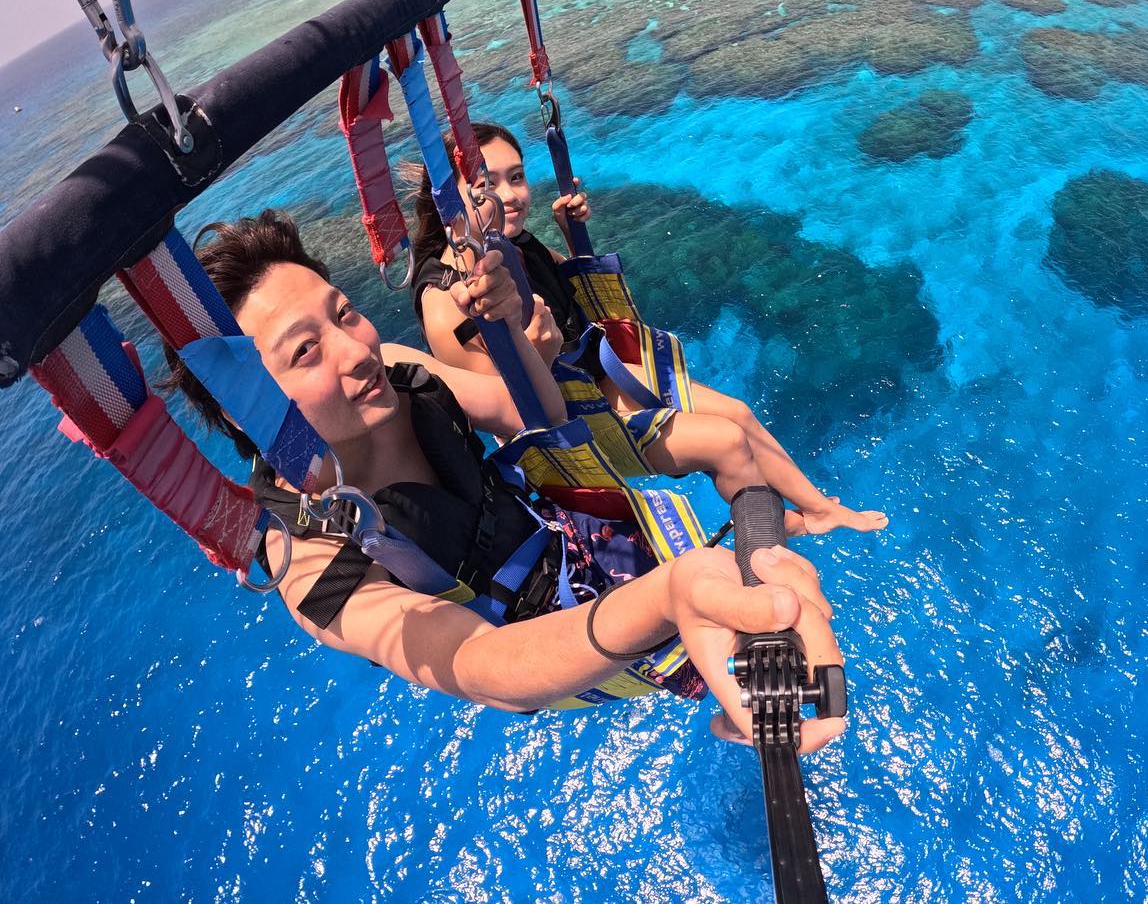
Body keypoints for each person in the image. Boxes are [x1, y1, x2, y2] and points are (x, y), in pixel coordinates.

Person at [165, 210, 843, 750]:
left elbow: (541, 416)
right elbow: (482, 665)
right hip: (546, 640)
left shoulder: (397, 371)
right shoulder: (308, 557)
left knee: (778, 597)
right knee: (737, 618)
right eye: (305, 351)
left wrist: (509, 334)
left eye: (344, 312)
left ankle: (776, 693)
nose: (355, 350)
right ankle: (736, 696)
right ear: (245, 408)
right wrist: (670, 594)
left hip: (567, 532)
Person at [410, 123, 888, 536]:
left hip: (603, 377)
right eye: (486, 185)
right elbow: (513, 417)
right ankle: (764, 567)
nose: (510, 196)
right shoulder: (448, 302)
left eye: (516, 177)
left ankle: (820, 511)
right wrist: (539, 351)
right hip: (580, 425)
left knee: (739, 413)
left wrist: (572, 231)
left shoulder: (514, 244)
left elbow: (575, 287)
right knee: (726, 444)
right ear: (449, 199)